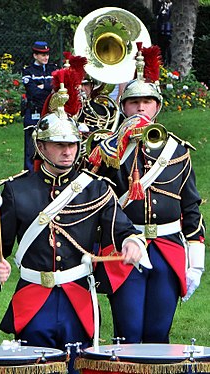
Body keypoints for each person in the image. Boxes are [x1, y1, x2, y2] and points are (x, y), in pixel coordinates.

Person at [0, 73, 149, 374]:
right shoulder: (17, 190)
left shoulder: (96, 188)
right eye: (58, 144)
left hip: (78, 299)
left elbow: (123, 229)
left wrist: (132, 243)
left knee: (76, 368)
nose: (67, 151)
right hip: (33, 299)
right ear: (41, 147)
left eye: (72, 144)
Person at [88, 46, 206, 344]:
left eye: (147, 102)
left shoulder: (177, 151)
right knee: (128, 333)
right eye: (134, 102)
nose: (141, 108)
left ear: (157, 107)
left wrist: (196, 262)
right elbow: (94, 202)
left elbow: (191, 207)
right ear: (124, 108)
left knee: (158, 333)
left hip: (168, 248)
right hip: (124, 250)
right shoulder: (108, 150)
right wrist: (116, 143)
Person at [22, 41, 58, 172]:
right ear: (35, 55)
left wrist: (44, 86)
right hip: (34, 112)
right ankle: (29, 174)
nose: (46, 57)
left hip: (50, 112)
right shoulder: (28, 71)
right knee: (31, 146)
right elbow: (33, 92)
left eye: (47, 54)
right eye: (42, 55)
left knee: (50, 143)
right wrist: (48, 88)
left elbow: (58, 85)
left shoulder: (53, 69)